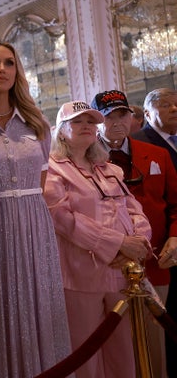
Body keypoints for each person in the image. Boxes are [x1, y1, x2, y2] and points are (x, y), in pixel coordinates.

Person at [0, 42, 71, 377]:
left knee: (39, 305)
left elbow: (41, 181)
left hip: (34, 225)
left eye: (9, 63)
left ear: (17, 71)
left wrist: (26, 213)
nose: (1, 69)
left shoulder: (36, 121)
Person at [44, 100, 152, 378]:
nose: (87, 127)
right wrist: (117, 243)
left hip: (121, 272)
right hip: (80, 276)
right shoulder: (52, 170)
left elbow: (134, 209)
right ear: (61, 130)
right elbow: (63, 219)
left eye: (91, 122)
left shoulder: (109, 169)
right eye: (78, 122)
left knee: (123, 353)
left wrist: (138, 242)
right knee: (84, 355)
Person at [92, 89, 177, 377]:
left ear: (131, 116)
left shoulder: (158, 155)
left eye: (122, 115)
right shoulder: (84, 160)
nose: (116, 122)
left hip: (155, 262)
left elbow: (176, 205)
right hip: (108, 265)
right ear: (97, 122)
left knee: (156, 340)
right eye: (108, 116)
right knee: (116, 342)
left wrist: (175, 237)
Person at [131, 87, 177, 376]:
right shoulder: (136, 145)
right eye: (165, 104)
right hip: (159, 251)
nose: (174, 108)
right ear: (147, 113)